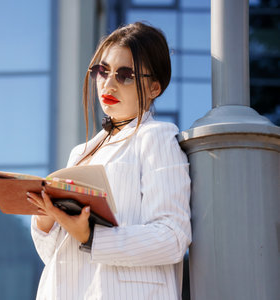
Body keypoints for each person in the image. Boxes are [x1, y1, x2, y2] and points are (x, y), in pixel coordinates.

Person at [27, 22, 191, 300]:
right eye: (101, 71)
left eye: (125, 75)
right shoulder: (81, 152)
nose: (108, 83)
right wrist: (46, 220)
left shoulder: (157, 137)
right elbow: (57, 257)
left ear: (154, 88)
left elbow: (173, 237)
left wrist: (91, 236)